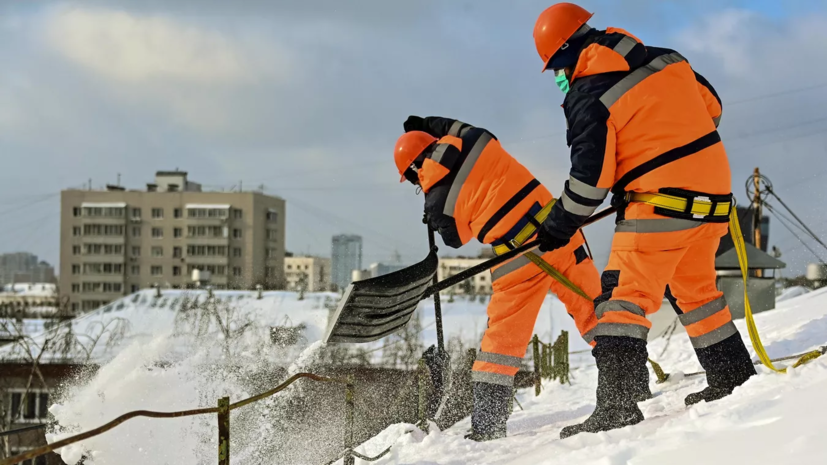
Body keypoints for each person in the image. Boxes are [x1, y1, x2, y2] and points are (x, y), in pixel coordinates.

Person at [531, 3, 756, 438]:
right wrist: (664, 153)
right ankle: (732, 375)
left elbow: (589, 183)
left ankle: (618, 405)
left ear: (567, 55)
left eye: (557, 69)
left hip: (660, 205)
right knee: (697, 291)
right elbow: (711, 108)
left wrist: (558, 225)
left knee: (621, 299)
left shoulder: (587, 93)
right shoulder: (668, 58)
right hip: (713, 196)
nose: (559, 79)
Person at [395, 116, 602, 441]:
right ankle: (628, 383)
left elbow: (456, 239)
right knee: (596, 311)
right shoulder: (476, 139)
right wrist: (427, 124)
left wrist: (431, 208)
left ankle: (488, 427)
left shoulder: (438, 200)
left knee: (500, 348)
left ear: (413, 170)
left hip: (518, 258)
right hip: (560, 228)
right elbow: (455, 128)